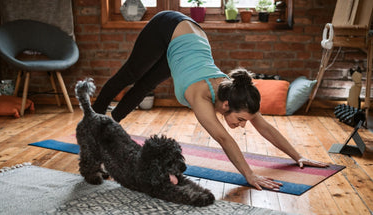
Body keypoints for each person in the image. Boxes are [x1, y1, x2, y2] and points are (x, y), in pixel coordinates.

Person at [92, 10, 328, 190]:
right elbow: (224, 139)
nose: (243, 125)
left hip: (189, 37)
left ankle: (110, 122)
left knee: (146, 85)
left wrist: (298, 156)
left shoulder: (237, 94)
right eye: (241, 120)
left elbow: (264, 126)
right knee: (131, 75)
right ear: (226, 106)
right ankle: (93, 119)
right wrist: (250, 175)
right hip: (167, 26)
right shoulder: (201, 96)